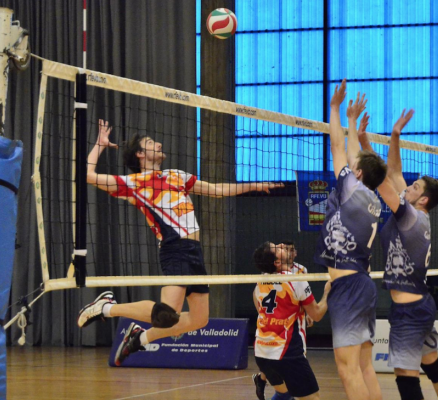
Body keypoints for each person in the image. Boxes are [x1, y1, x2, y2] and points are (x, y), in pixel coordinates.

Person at [77, 119, 282, 366]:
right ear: (140, 154)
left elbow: (216, 189)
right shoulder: (134, 183)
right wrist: (100, 145)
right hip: (174, 248)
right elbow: (87, 175)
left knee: (199, 320)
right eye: (151, 143)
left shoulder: (176, 176)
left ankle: (139, 338)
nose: (159, 144)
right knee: (167, 314)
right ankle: (106, 307)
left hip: (194, 251)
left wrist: (254, 186)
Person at [357, 109, 438, 400]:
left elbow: (383, 179)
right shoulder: (416, 213)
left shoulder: (410, 216)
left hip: (409, 311)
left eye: (414, 187)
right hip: (420, 304)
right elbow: (394, 173)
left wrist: (365, 145)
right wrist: (391, 136)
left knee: (405, 378)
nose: (408, 187)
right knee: (432, 365)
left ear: (423, 199)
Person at [312, 80, 387, 400]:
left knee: (347, 369)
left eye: (353, 168)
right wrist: (353, 122)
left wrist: (335, 108)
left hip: (348, 287)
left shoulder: (351, 188)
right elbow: (357, 157)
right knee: (364, 366)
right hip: (362, 284)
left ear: (357, 174)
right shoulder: (372, 198)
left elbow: (337, 147)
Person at [252, 242, 330, 400]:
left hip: (261, 352)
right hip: (287, 353)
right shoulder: (296, 280)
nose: (282, 246)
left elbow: (258, 305)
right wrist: (329, 292)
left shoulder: (260, 281)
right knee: (312, 397)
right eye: (278, 248)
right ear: (277, 262)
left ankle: (261, 380)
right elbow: (316, 315)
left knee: (284, 393)